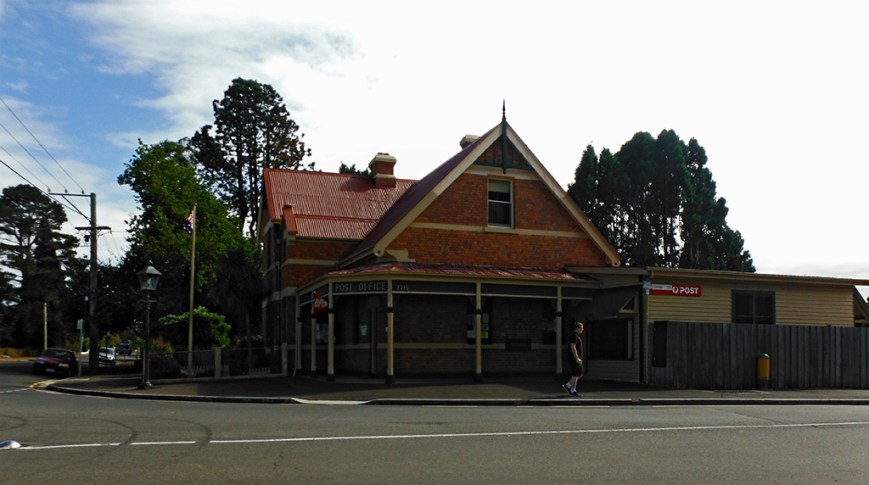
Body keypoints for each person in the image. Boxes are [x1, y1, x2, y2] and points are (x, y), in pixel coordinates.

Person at [562, 321, 584, 397]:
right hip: (574, 358)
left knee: (579, 373)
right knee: (576, 374)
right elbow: (573, 347)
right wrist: (577, 358)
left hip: (576, 359)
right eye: (581, 328)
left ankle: (568, 385)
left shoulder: (576, 336)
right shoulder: (574, 336)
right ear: (577, 328)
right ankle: (573, 390)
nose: (582, 329)